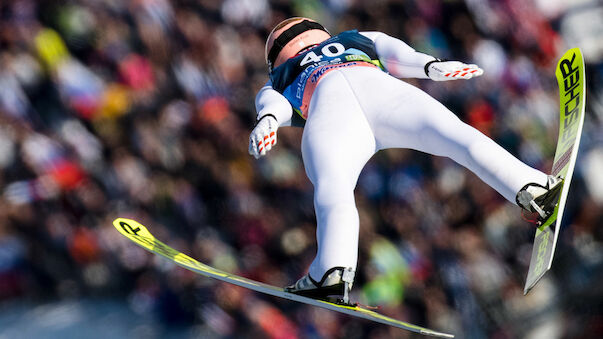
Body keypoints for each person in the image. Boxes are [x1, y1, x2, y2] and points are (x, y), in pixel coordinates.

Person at [248, 17, 562, 304]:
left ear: (274, 57)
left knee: (334, 190)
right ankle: (532, 187)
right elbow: (391, 49)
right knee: (459, 138)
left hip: (330, 112)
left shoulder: (281, 76)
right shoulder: (351, 38)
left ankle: (333, 270)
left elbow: (271, 103)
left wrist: (268, 122)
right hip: (383, 91)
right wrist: (430, 65)